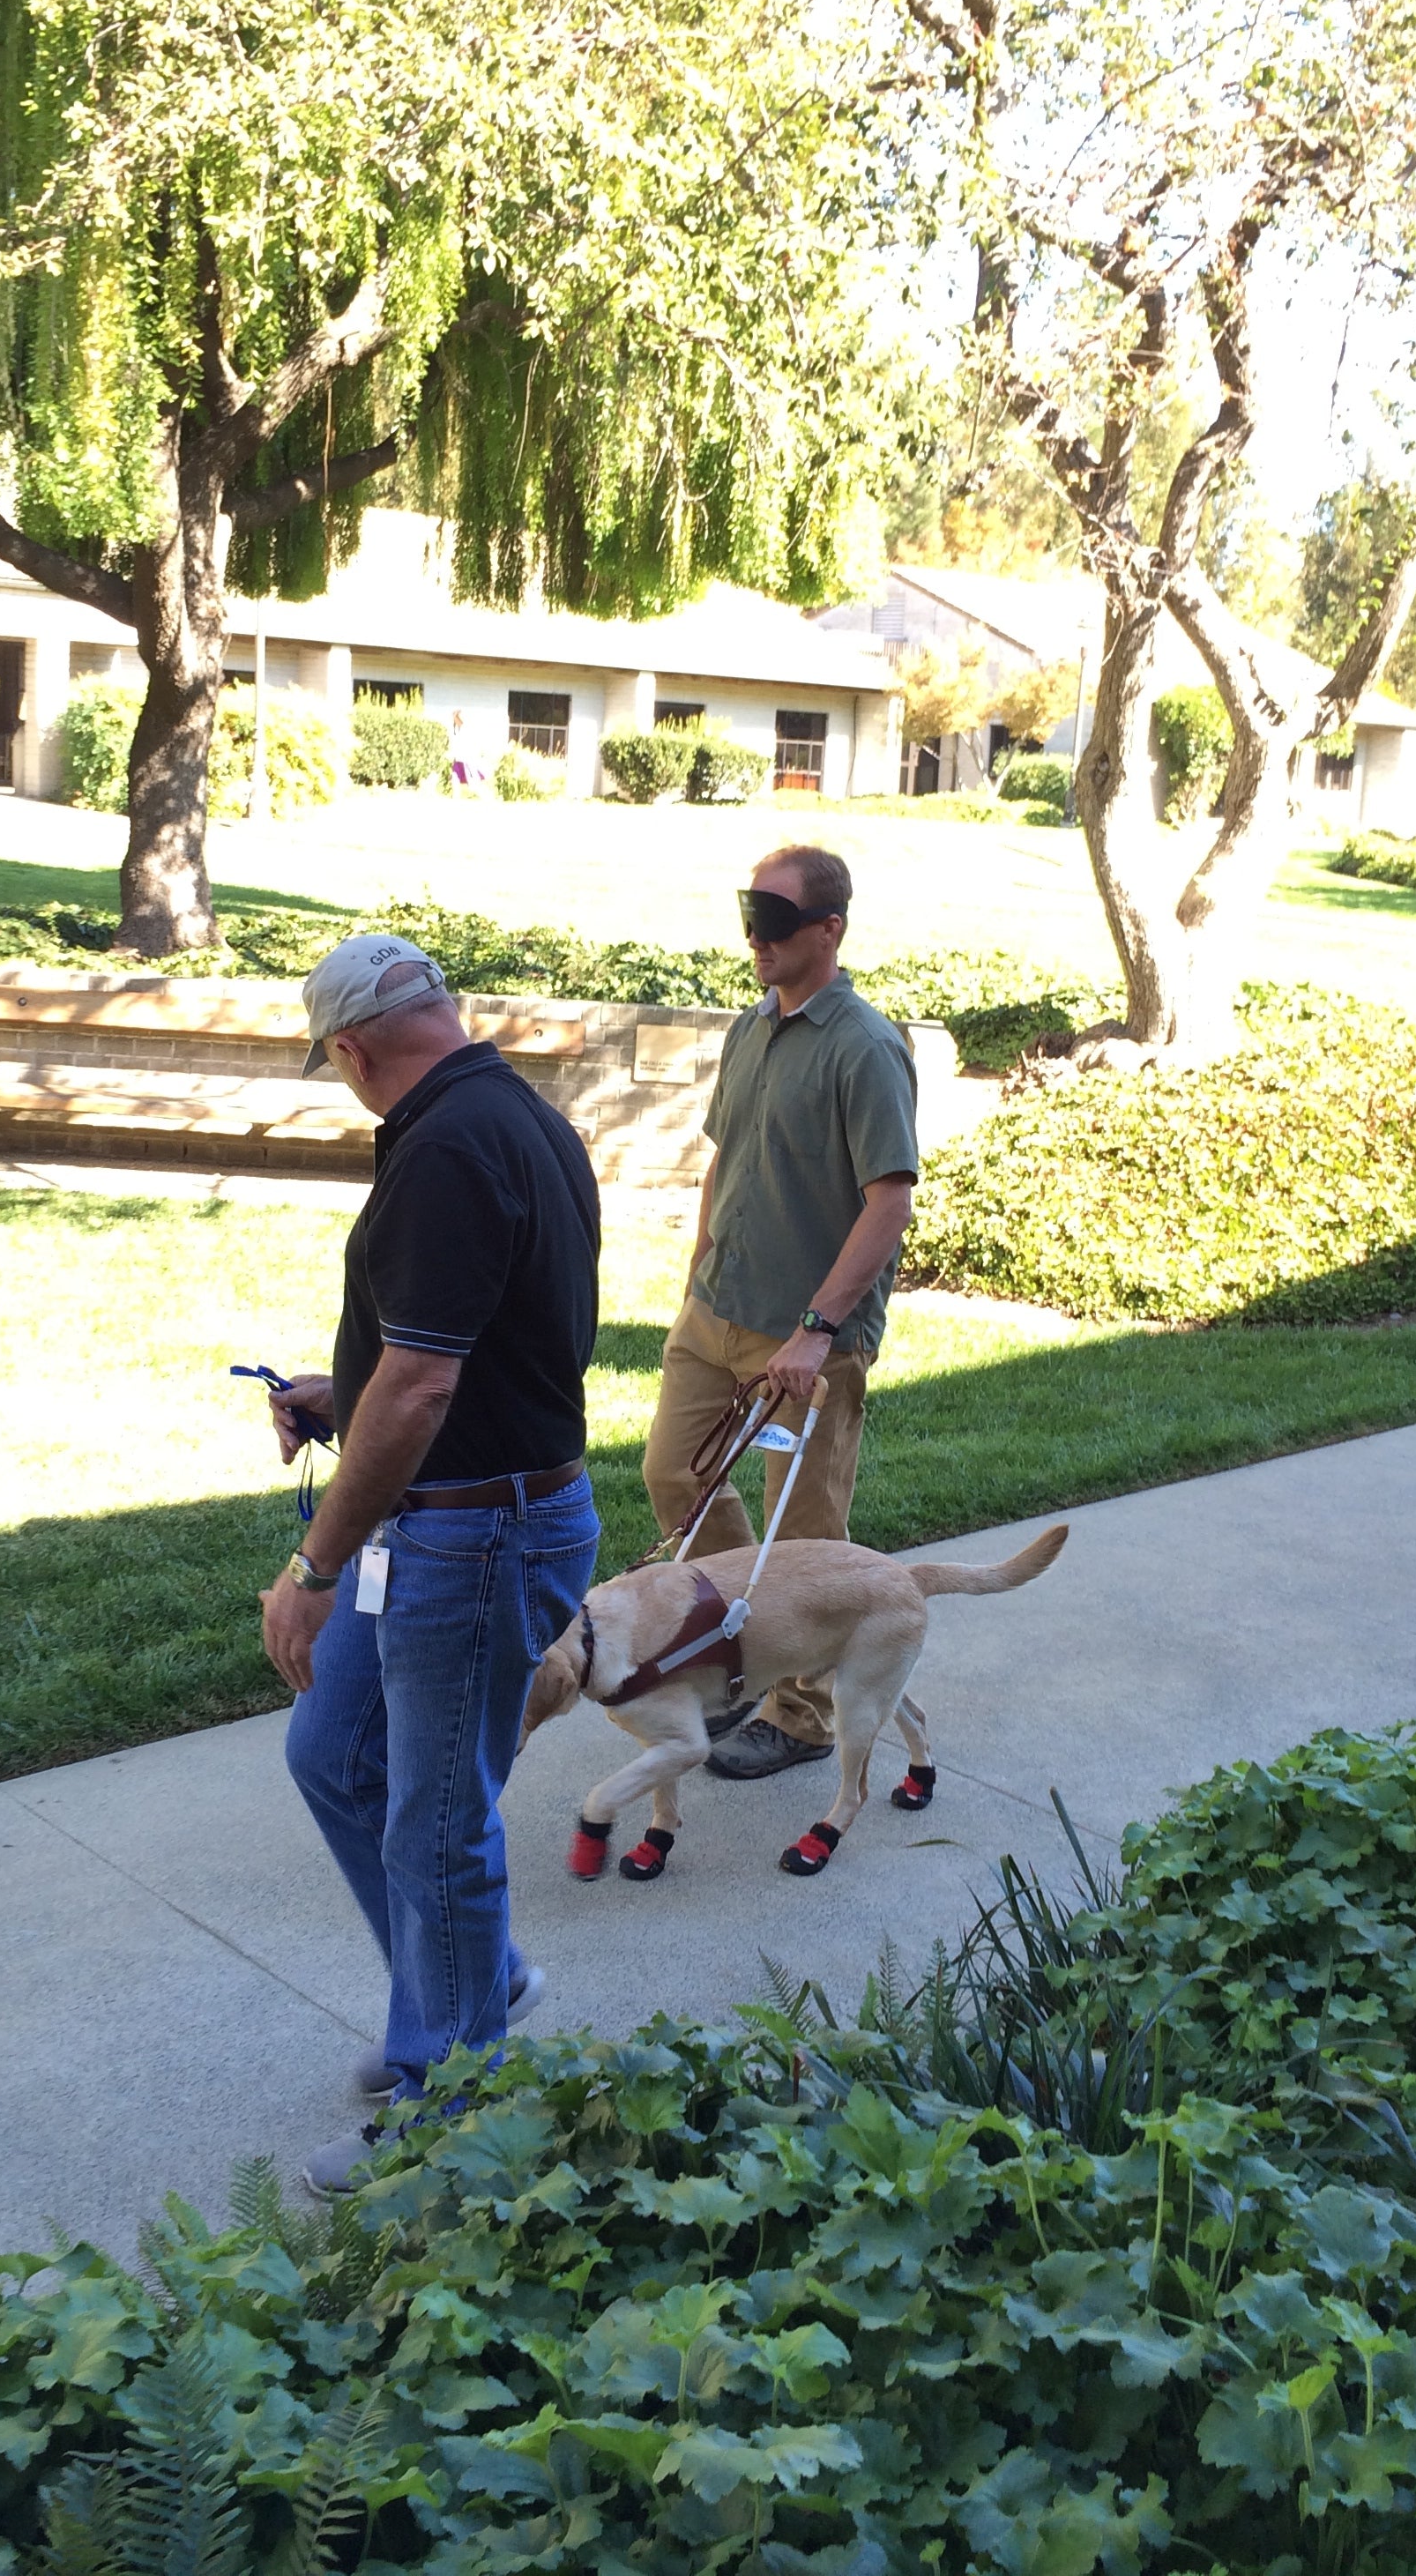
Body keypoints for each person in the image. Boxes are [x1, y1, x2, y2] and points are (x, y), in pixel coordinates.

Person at [259, 932, 601, 2193]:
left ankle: (455, 2110)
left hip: (477, 1533)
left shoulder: (449, 1146)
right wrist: (339, 1391)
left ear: (350, 1048)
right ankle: (477, 1980)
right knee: (336, 1755)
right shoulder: (510, 1113)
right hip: (466, 1510)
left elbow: (427, 1381)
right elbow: (460, 1356)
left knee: (440, 1817)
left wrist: (311, 1567)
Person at [640, 844, 919, 1779]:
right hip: (718, 1311)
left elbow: (889, 1201)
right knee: (677, 1476)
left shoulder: (865, 1048)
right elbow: (727, 1154)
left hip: (806, 1337)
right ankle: (742, 1650)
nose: (756, 937)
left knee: (805, 1529)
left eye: (777, 919)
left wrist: (820, 1329)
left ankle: (800, 1714)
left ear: (830, 929)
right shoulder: (751, 1029)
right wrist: (699, 1261)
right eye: (748, 914)